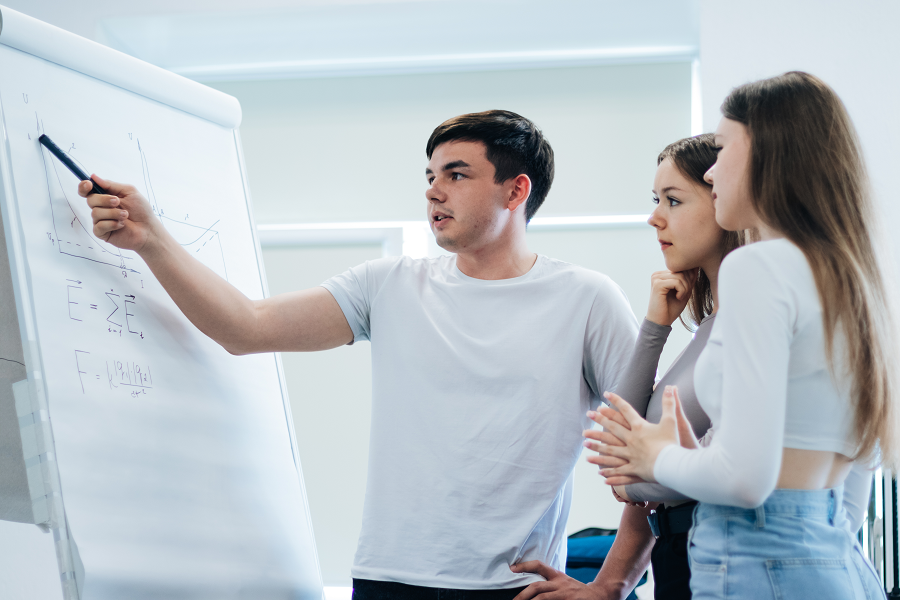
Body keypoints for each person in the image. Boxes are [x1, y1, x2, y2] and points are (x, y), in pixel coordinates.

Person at [79, 110, 640, 599]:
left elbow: (654, 452)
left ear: (515, 191)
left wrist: (612, 585)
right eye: (429, 177)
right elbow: (245, 327)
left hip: (516, 588)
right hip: (386, 582)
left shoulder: (587, 298)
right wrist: (150, 238)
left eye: (456, 175)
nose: (433, 191)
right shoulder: (387, 285)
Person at [587, 72, 896, 599]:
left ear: (767, 155)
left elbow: (745, 479)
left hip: (756, 561)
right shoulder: (849, 277)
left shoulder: (758, 268)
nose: (713, 170)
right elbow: (853, 481)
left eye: (724, 147)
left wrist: (655, 457)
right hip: (833, 558)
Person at [510, 134, 746, 600]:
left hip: (728, 562)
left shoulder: (750, 326)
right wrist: (655, 327)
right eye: (656, 200)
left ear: (726, 201)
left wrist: (642, 477)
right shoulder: (711, 327)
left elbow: (670, 475)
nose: (654, 217)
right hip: (682, 560)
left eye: (673, 200)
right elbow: (624, 438)